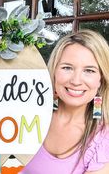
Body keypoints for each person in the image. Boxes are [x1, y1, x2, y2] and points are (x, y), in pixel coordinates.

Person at [19, 30, 109, 174]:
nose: (76, 81)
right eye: (67, 68)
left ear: (101, 80)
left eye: (89, 71)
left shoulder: (103, 140)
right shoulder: (25, 117)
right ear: (54, 72)